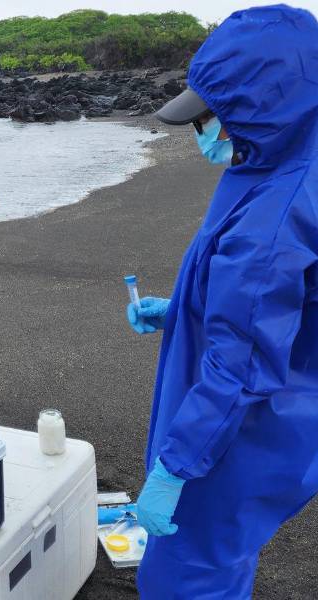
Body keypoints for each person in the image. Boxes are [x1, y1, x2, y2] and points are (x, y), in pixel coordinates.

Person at [125, 5, 318, 598]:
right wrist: (184, 309)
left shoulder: (274, 210)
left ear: (257, 108)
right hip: (288, 413)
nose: (201, 133)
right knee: (226, 558)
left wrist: (177, 465)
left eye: (207, 119)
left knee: (186, 575)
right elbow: (275, 309)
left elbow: (240, 366)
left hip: (243, 433)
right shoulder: (287, 158)